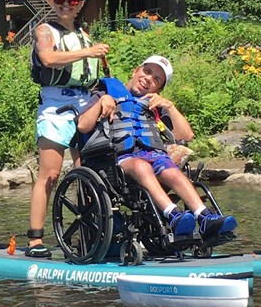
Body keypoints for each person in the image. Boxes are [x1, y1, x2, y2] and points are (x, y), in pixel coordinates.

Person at [77, 55, 238, 240]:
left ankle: (204, 217)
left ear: (158, 89)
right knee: (141, 166)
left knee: (172, 171)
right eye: (147, 71)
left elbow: (186, 136)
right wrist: (101, 101)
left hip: (153, 156)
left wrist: (170, 107)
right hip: (117, 161)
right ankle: (173, 215)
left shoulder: (154, 106)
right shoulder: (104, 95)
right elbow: (83, 126)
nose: (149, 79)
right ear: (135, 70)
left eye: (156, 79)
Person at [25, 0, 113, 258]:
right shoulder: (45, 31)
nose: (65, 4)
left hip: (84, 103)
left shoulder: (83, 34)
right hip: (55, 106)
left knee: (86, 172)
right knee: (50, 175)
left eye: (71, 0)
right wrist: (89, 51)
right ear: (53, 0)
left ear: (78, 3)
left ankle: (90, 234)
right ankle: (35, 241)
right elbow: (48, 59)